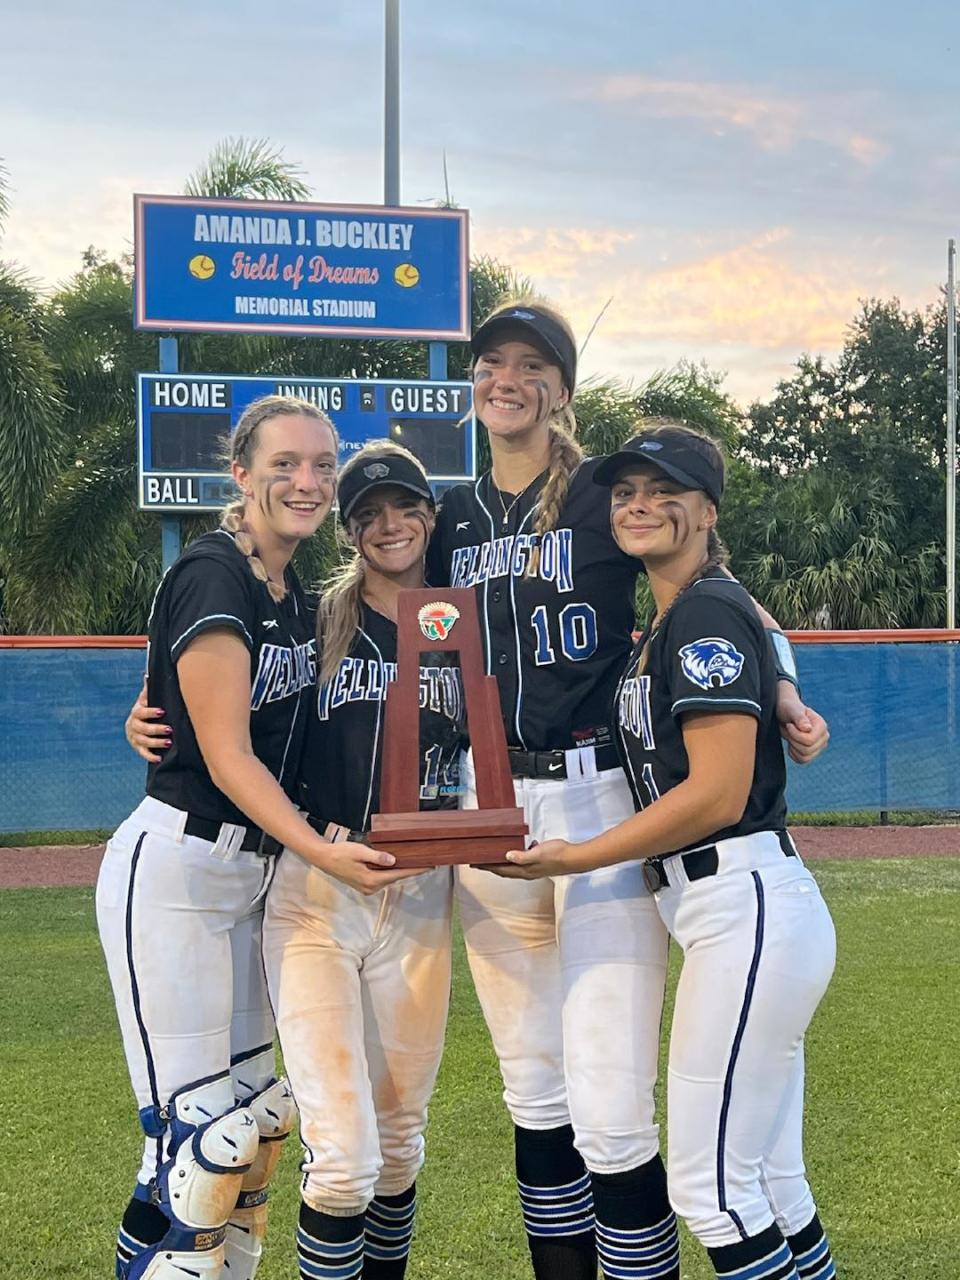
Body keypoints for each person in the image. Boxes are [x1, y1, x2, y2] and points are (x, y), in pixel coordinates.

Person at [426, 298, 830, 1280]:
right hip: (494, 803)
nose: (505, 378)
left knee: (608, 1100)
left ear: (562, 387)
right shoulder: (450, 516)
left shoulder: (607, 487)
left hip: (603, 792)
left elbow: (715, 582)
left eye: (530, 364)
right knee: (534, 1086)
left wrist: (777, 677)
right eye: (490, 363)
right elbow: (404, 632)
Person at [102, 397, 415, 1280]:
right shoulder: (215, 572)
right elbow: (231, 759)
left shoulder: (289, 596)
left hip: (251, 877)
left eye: (322, 465)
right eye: (284, 463)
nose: (307, 481)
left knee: (252, 1128)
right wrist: (321, 853)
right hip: (181, 868)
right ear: (240, 474)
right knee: (199, 1140)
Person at [261, 441, 462, 1280]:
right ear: (348, 529)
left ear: (430, 514)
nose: (389, 524)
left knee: (400, 1145)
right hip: (319, 884)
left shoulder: (466, 619)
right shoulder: (314, 617)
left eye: (404, 506)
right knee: (343, 1163)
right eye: (369, 512)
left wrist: (776, 675)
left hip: (421, 894)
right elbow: (215, 677)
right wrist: (145, 707)